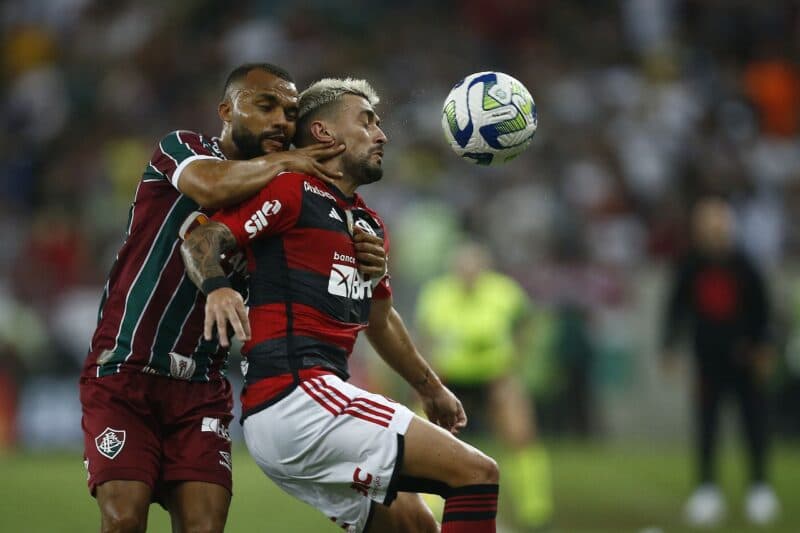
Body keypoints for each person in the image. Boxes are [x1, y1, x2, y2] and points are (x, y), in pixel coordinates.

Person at [181, 78, 501, 533]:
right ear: (324, 133)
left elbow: (380, 319)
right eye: (366, 122)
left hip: (303, 407)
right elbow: (202, 239)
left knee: (415, 526)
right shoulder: (292, 189)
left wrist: (430, 388)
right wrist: (217, 286)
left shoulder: (367, 223)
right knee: (477, 473)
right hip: (296, 396)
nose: (381, 135)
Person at [80, 63, 387, 533]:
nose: (280, 121)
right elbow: (211, 186)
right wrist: (288, 161)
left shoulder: (283, 191)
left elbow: (317, 260)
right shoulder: (183, 148)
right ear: (226, 110)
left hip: (202, 385)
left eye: (289, 113)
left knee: (205, 527)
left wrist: (366, 256)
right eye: (265, 106)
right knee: (123, 520)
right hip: (127, 368)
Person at [416, 242, 552, 530]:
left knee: (520, 435)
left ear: (484, 269)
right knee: (425, 432)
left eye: (474, 268)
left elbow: (526, 324)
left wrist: (514, 363)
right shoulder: (437, 294)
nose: (468, 274)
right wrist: (428, 379)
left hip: (494, 376)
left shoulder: (505, 292)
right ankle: (429, 503)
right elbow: (424, 338)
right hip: (449, 379)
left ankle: (535, 510)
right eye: (462, 268)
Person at [661, 196, 779, 527]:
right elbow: (676, 309)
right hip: (707, 362)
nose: (714, 232)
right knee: (706, 427)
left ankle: (759, 487)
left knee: (754, 424)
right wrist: (669, 347)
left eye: (718, 225)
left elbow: (764, 312)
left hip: (745, 360)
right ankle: (707, 489)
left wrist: (764, 348)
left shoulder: (745, 266)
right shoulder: (691, 266)